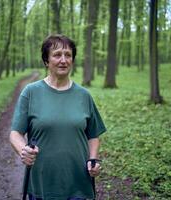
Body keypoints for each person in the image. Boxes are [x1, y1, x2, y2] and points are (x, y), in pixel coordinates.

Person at [10, 34, 106, 200]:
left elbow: (93, 135)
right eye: (57, 55)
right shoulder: (31, 92)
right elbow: (15, 133)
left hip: (79, 184)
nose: (63, 60)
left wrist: (93, 159)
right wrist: (22, 150)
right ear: (46, 61)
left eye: (68, 55)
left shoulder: (84, 95)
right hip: (41, 183)